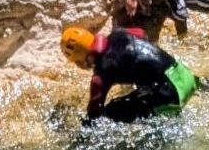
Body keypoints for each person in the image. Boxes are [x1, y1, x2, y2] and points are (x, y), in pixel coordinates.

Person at [61, 23, 198, 123]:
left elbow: (94, 112)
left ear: (86, 59)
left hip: (172, 95)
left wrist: (85, 128)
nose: (79, 66)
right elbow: (141, 32)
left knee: (110, 113)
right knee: (144, 91)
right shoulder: (118, 33)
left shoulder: (100, 76)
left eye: (77, 62)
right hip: (185, 76)